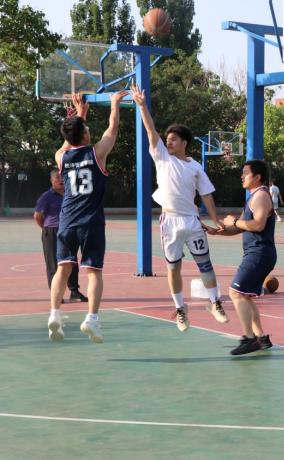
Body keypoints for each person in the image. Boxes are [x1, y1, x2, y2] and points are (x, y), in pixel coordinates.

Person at [130, 84, 228, 332]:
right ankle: (180, 308)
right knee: (173, 268)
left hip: (192, 221)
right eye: (168, 139)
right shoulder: (162, 158)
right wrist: (142, 106)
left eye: (173, 139)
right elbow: (150, 130)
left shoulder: (195, 167)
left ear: (184, 143)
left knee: (205, 264)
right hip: (170, 222)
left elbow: (206, 194)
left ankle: (214, 302)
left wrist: (215, 219)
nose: (169, 141)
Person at [47, 90, 128, 343]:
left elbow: (67, 141)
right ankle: (91, 319)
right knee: (94, 272)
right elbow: (112, 130)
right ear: (84, 135)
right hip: (90, 222)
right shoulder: (97, 153)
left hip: (66, 221)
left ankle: (54, 314)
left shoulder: (61, 157)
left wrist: (79, 116)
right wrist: (114, 104)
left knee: (62, 269)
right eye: (87, 129)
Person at [215, 160, 276, 355]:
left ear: (257, 177)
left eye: (245, 173)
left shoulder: (261, 196)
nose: (242, 176)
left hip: (260, 252)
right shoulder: (254, 197)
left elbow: (257, 225)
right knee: (245, 295)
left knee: (235, 292)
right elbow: (241, 226)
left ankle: (249, 339)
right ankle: (261, 337)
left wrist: (234, 221)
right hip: (257, 253)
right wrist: (218, 231)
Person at [34, 169, 87, 303]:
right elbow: (37, 216)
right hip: (51, 232)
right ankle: (56, 294)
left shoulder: (72, 194)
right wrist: (47, 228)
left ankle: (74, 292)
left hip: (69, 231)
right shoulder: (46, 196)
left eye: (63, 177)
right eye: (57, 177)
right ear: (51, 180)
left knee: (71, 262)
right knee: (53, 263)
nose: (61, 180)